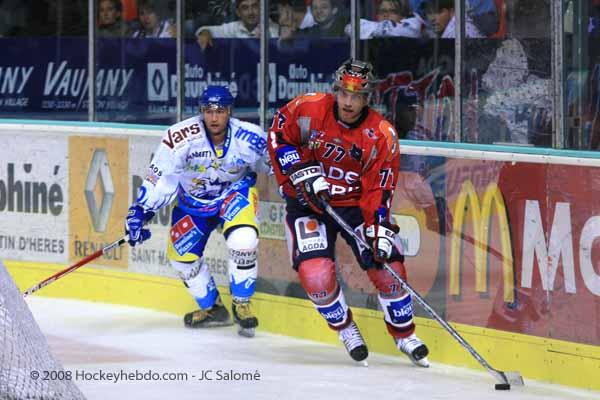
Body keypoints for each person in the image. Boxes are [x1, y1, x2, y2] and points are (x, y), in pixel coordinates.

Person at [266, 59, 430, 366]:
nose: (348, 102)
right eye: (343, 93)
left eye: (357, 96)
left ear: (368, 98)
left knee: (389, 268)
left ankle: (404, 334)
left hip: (355, 207)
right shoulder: (309, 108)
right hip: (308, 203)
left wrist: (378, 228)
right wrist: (299, 170)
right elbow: (278, 134)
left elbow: (379, 187)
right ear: (335, 91)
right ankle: (345, 328)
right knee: (315, 275)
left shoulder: (381, 134)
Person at [124, 85, 272, 338]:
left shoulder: (250, 137)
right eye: (208, 111)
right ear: (201, 111)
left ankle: (242, 304)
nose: (214, 117)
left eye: (220, 111)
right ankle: (214, 309)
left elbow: (275, 164)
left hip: (234, 194)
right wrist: (140, 212)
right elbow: (161, 177)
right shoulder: (179, 137)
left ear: (229, 111)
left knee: (244, 239)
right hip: (193, 202)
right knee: (181, 258)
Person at [195, 0, 279, 40]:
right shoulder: (234, 27)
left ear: (261, 8)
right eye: (245, 8)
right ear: (238, 13)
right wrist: (205, 33)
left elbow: (275, 38)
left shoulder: (272, 28)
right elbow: (204, 29)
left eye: (254, 6)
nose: (251, 12)